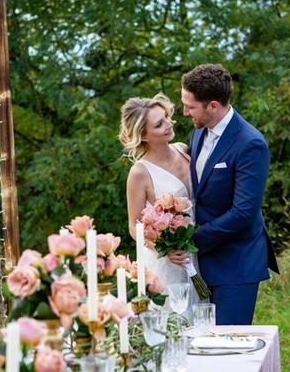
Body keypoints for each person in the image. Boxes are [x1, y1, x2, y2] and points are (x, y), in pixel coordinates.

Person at [181, 63, 279, 325]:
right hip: (204, 263)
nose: (184, 112)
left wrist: (192, 241)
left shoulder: (250, 144)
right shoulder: (198, 131)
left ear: (213, 105)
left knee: (228, 346)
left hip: (237, 263)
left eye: (190, 106)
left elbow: (244, 213)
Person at [118, 93, 202, 311]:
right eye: (159, 124)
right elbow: (134, 226)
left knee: (200, 313)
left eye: (166, 117)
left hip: (196, 251)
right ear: (144, 135)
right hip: (166, 262)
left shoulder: (183, 149)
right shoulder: (139, 172)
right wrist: (164, 247)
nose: (168, 124)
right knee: (173, 320)